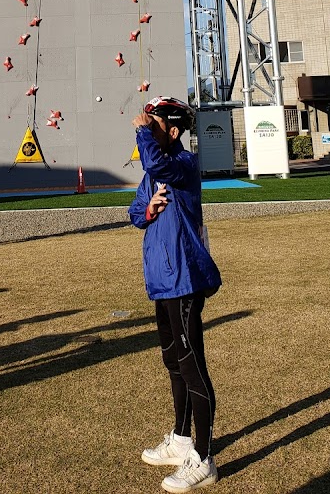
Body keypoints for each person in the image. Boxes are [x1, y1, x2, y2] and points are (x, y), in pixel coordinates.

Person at [128, 96, 221, 492]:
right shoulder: (155, 171)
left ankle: (204, 456)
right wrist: (148, 209)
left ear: (173, 130)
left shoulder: (182, 164)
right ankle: (181, 439)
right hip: (161, 279)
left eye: (154, 126)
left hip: (184, 277)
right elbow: (133, 213)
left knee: (191, 363)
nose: (148, 131)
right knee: (171, 360)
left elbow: (155, 163)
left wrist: (140, 132)